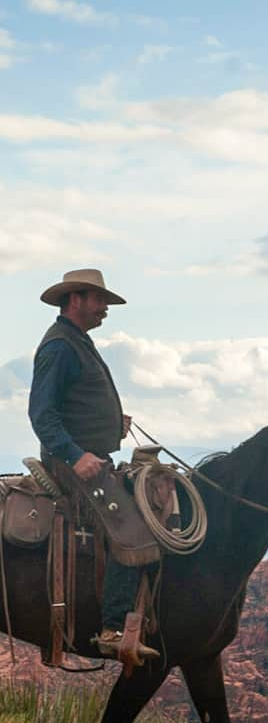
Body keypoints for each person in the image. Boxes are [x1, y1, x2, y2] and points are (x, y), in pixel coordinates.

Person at [28, 268, 145, 658]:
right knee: (129, 527)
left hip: (89, 456)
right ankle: (113, 629)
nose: (105, 312)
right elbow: (42, 414)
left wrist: (114, 423)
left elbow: (72, 404)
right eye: (99, 302)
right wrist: (75, 456)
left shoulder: (76, 341)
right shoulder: (59, 346)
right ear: (75, 300)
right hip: (70, 465)